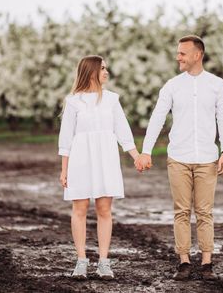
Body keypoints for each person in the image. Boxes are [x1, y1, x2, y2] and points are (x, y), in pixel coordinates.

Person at [134, 35, 223, 281]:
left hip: (208, 158)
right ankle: (184, 261)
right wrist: (146, 150)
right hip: (178, 157)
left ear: (197, 55)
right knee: (181, 211)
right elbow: (157, 118)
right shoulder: (172, 85)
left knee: (204, 211)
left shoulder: (217, 84)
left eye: (182, 53)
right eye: (178, 53)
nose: (178, 57)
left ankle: (207, 262)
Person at [58, 55, 139, 280]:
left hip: (106, 159)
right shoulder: (73, 101)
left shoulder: (112, 100)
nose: (106, 72)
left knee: (104, 210)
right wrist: (64, 170)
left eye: (107, 68)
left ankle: (104, 262)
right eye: (102, 68)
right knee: (80, 209)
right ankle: (81, 260)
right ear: (91, 71)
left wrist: (136, 156)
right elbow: (66, 139)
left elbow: (123, 132)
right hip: (80, 159)